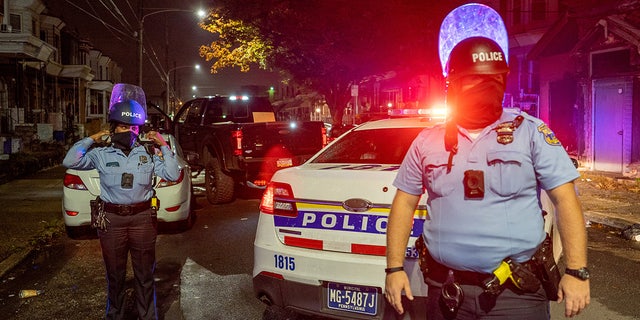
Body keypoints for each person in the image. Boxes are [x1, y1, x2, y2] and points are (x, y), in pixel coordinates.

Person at [384, 36, 590, 319]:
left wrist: (577, 271)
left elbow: (565, 199)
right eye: (475, 80)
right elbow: (404, 203)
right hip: (446, 290)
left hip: (515, 294)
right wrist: (394, 268)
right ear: (453, 84)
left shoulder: (530, 132)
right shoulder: (427, 141)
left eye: (495, 79)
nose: (487, 87)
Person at [63, 84, 180, 320]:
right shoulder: (100, 154)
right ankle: (114, 315)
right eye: (124, 126)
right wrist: (92, 138)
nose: (129, 131)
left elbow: (172, 174)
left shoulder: (147, 153)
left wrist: (163, 146)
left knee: (145, 275)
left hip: (142, 219)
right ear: (114, 127)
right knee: (115, 276)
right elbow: (70, 160)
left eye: (134, 127)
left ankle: (148, 316)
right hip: (112, 221)